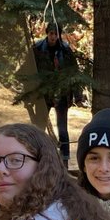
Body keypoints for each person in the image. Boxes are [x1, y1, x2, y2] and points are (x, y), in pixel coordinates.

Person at [30, 23, 80, 163]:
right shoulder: (37, 48)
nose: (53, 37)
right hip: (43, 94)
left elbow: (74, 72)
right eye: (51, 33)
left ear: (59, 35)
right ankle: (36, 156)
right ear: (47, 33)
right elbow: (29, 70)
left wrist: (78, 95)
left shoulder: (65, 49)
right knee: (39, 127)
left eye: (55, 34)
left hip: (61, 93)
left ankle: (64, 160)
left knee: (62, 129)